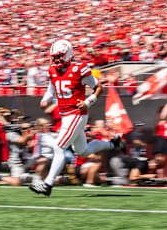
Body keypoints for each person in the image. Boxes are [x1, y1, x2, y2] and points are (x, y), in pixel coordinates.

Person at [29, 39, 124, 196]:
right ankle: (113, 144)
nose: (56, 60)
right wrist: (45, 99)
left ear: (68, 55)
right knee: (83, 151)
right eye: (55, 57)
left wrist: (88, 102)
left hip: (76, 114)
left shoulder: (79, 69)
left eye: (59, 56)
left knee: (58, 147)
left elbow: (99, 87)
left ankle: (47, 184)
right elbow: (51, 89)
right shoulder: (52, 70)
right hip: (65, 115)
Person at [0, 121, 36, 186]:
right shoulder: (11, 134)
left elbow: (28, 144)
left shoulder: (24, 134)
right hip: (16, 163)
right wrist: (32, 133)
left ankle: (45, 177)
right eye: (27, 128)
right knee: (17, 183)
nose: (29, 129)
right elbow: (22, 141)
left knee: (42, 160)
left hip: (26, 160)